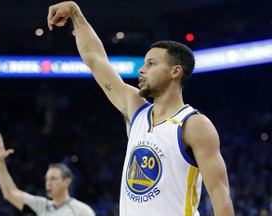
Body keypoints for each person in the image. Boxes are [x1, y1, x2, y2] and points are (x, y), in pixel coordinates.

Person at [47, 1, 235, 215]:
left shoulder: (194, 124)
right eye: (144, 63)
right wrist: (75, 13)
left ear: (175, 71)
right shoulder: (136, 110)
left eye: (152, 64)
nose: (142, 69)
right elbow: (95, 59)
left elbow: (220, 197)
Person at [0, 131, 96, 216]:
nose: (48, 183)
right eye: (47, 179)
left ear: (67, 181)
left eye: (53, 178)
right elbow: (10, 193)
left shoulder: (82, 211)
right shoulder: (41, 206)